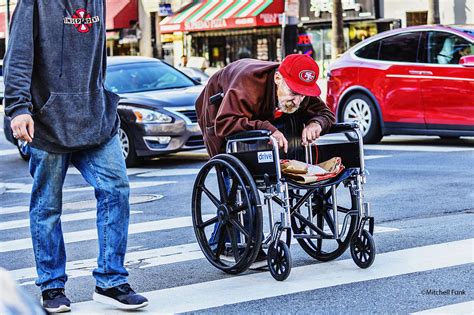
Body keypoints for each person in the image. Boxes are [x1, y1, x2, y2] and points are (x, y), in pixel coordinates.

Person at [3, 1, 148, 312]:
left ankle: (111, 280)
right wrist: (17, 108)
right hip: (49, 122)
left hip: (95, 118)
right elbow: (16, 57)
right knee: (47, 206)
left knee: (116, 190)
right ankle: (52, 285)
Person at [195, 54, 335, 265]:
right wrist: (266, 129)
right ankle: (222, 243)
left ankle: (221, 239)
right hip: (218, 112)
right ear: (278, 79)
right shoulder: (248, 83)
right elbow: (225, 123)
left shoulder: (297, 90)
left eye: (302, 96)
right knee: (235, 179)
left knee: (266, 162)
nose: (297, 100)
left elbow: (325, 113)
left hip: (260, 114)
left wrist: (317, 123)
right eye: (293, 93)